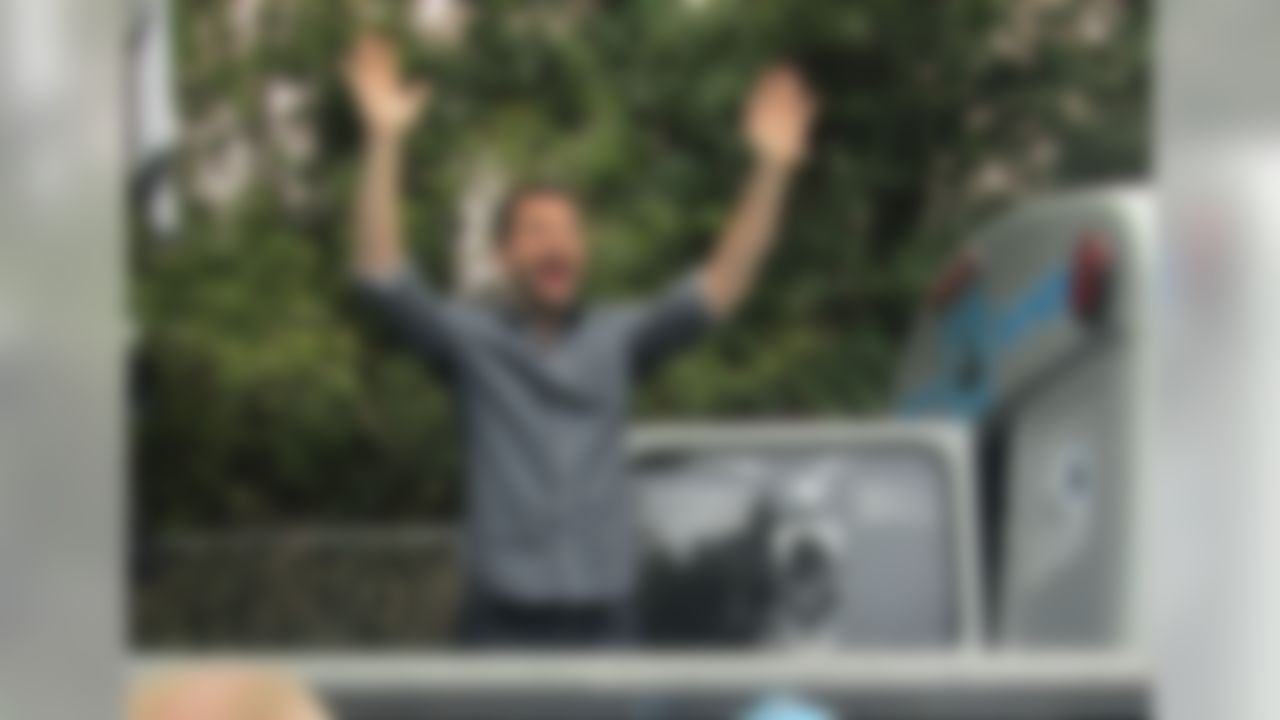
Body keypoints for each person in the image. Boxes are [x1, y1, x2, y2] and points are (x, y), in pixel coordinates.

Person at [345, 34, 817, 648]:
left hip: (603, 623)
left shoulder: (618, 338)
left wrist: (771, 170)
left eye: (569, 231)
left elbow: (723, 287)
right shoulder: (471, 342)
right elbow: (382, 275)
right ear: (504, 253)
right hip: (501, 625)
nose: (557, 242)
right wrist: (384, 140)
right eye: (537, 231)